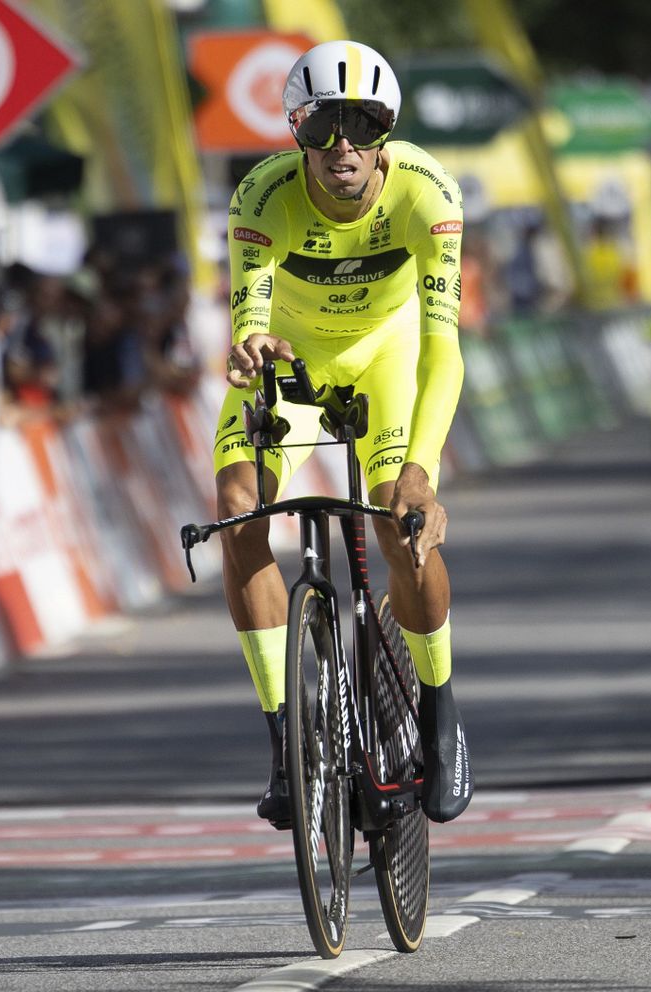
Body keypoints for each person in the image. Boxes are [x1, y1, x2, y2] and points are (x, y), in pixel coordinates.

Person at [216, 40, 471, 826]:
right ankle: (287, 742)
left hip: (387, 361)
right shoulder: (260, 199)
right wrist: (251, 345)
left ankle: (440, 710)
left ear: (386, 130)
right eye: (322, 127)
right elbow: (248, 320)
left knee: (403, 521)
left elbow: (443, 346)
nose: (342, 148)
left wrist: (423, 470)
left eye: (361, 126)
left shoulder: (429, 196)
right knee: (236, 509)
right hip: (293, 364)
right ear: (296, 130)